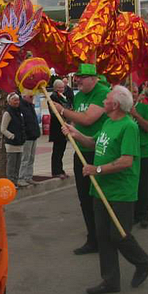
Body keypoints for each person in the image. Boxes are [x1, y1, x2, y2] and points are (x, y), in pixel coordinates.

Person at [62, 85, 148, 294]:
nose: (104, 101)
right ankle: (110, 280)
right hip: (101, 189)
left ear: (116, 104)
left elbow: (126, 161)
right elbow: (94, 144)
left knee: (119, 234)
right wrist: (75, 133)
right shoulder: (108, 123)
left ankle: (143, 261)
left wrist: (98, 169)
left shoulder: (128, 126)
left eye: (107, 99)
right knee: (103, 236)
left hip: (121, 190)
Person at [53, 63, 109, 255]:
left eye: (82, 77)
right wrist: (70, 128)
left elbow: (87, 119)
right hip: (81, 150)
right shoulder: (79, 95)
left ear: (94, 78)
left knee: (99, 197)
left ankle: (105, 238)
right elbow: (77, 120)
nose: (78, 80)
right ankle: (92, 238)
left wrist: (62, 110)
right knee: (84, 198)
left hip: (99, 152)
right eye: (77, 77)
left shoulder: (102, 92)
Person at [132, 84, 148, 228]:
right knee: (132, 184)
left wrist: (136, 115)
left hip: (143, 150)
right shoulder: (121, 109)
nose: (133, 94)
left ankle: (143, 215)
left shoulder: (144, 108)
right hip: (129, 150)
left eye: (135, 92)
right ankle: (133, 213)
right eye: (130, 91)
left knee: (143, 184)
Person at [0, 93, 26, 186]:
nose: (17, 102)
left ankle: (16, 180)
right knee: (11, 164)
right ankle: (10, 182)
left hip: (20, 142)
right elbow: (3, 129)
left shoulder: (19, 112)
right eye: (14, 100)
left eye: (18, 100)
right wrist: (12, 136)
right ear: (9, 101)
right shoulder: (8, 113)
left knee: (18, 164)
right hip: (11, 144)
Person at [48, 79, 72, 179]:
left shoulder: (64, 97)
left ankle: (60, 169)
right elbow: (54, 112)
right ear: (55, 88)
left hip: (64, 125)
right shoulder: (53, 97)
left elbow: (68, 106)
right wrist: (65, 111)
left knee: (62, 150)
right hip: (57, 127)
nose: (62, 90)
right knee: (57, 150)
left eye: (63, 88)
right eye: (60, 88)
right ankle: (56, 171)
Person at [18, 90, 41, 186]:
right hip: (27, 136)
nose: (33, 98)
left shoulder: (30, 106)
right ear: (24, 96)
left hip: (33, 135)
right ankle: (21, 177)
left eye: (33, 97)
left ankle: (28, 176)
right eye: (31, 97)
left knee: (31, 158)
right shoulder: (21, 106)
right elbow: (22, 122)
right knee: (25, 158)